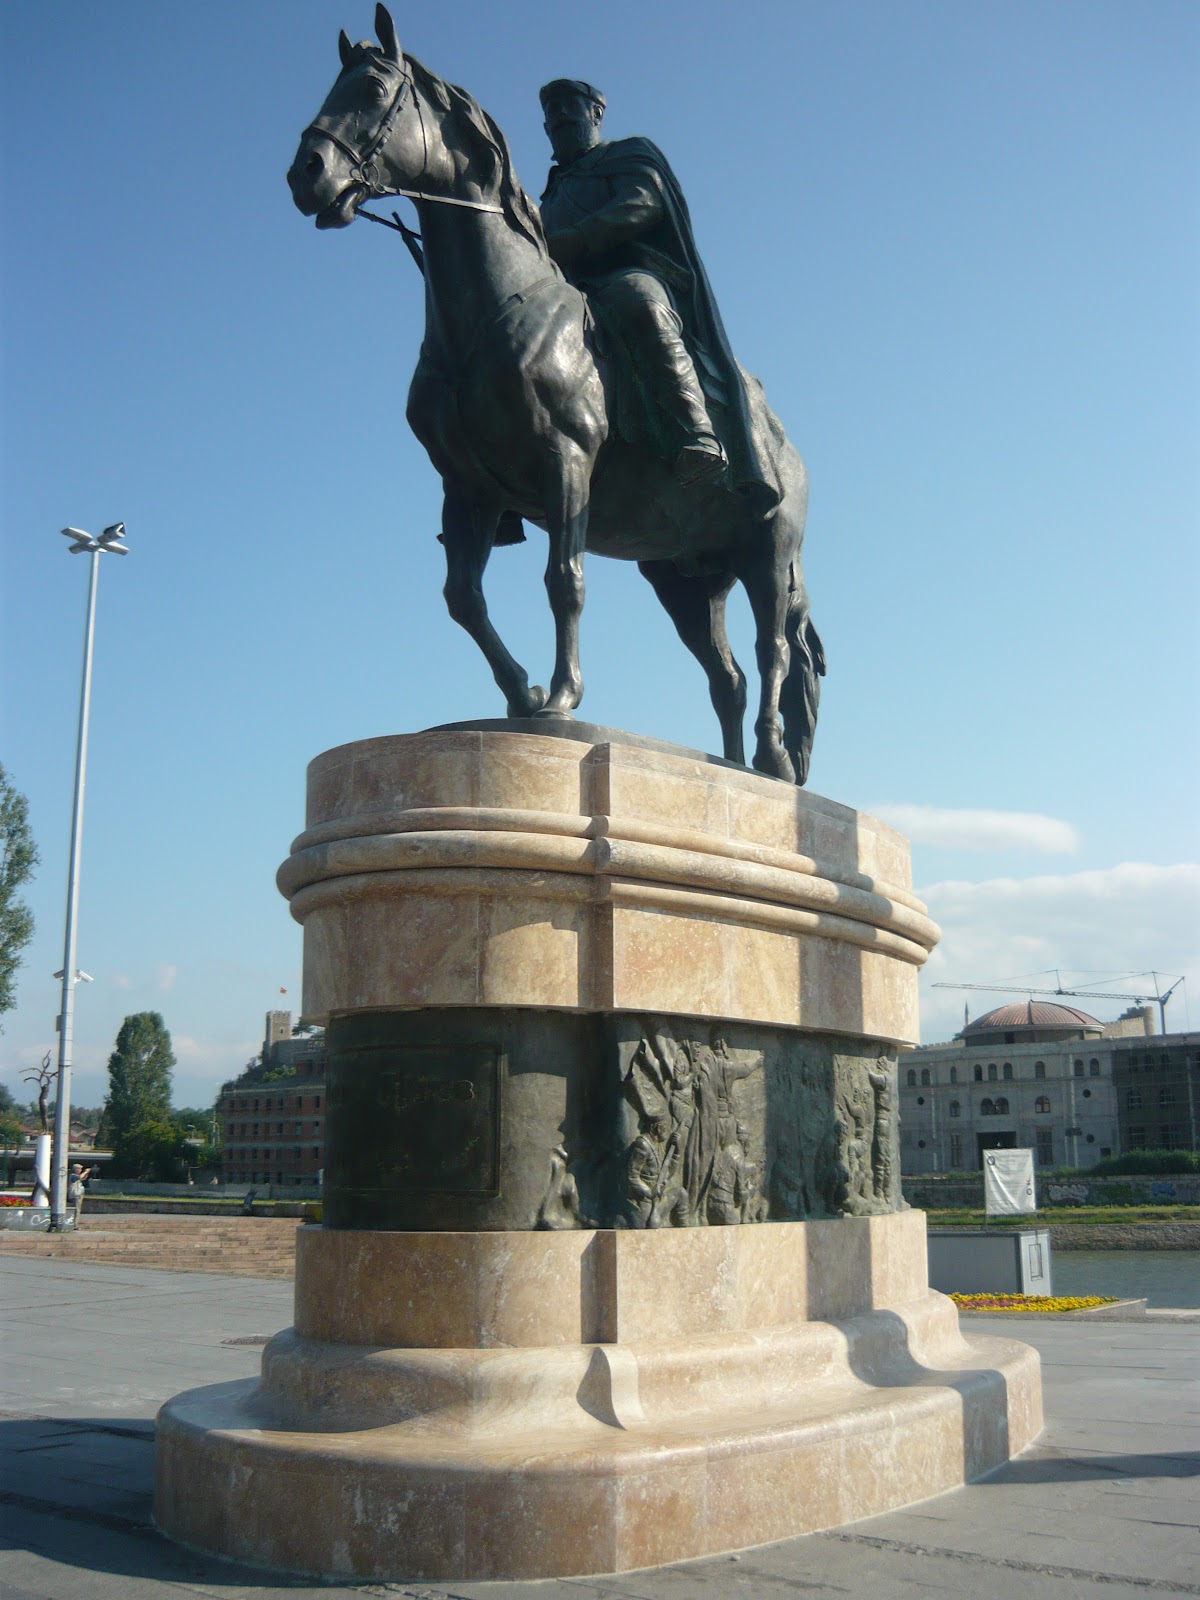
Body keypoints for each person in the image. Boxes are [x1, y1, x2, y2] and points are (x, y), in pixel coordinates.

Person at [538, 79, 779, 508]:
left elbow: (642, 202)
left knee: (641, 303)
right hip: (567, 288)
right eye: (550, 113)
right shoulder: (552, 189)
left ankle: (697, 433)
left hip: (625, 272)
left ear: (595, 113)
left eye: (567, 107)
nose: (558, 118)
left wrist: (573, 238)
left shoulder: (627, 154)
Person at [67, 1162, 93, 1228]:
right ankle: (74, 1225)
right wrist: (85, 1172)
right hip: (75, 1195)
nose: (80, 1170)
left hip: (78, 1195)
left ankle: (75, 1224)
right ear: (75, 1169)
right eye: (79, 1169)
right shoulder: (72, 1175)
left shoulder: (75, 1176)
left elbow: (83, 1178)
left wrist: (86, 1173)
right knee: (76, 1210)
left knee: (77, 1210)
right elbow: (79, 1177)